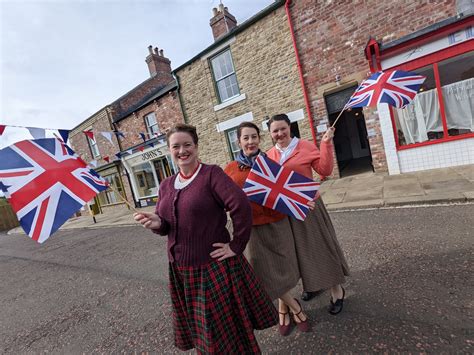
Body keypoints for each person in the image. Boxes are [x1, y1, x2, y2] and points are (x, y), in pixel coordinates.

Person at [134, 123, 277, 354]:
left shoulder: (211, 174)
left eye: (187, 145)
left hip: (211, 269)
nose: (182, 151)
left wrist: (236, 245)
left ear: (196, 146)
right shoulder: (166, 185)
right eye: (176, 146)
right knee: (204, 332)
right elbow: (167, 223)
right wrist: (157, 223)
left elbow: (240, 206)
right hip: (181, 272)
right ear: (170, 150)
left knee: (222, 332)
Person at [224, 121, 310, 336]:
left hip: (276, 222)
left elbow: (287, 189)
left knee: (283, 267)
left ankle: (282, 308)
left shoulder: (271, 162)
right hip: (250, 228)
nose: (250, 141)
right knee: (263, 273)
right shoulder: (231, 170)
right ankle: (295, 307)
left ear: (259, 139)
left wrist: (304, 199)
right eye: (246, 138)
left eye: (254, 137)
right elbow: (223, 199)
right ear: (239, 141)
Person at [266, 114, 350, 315]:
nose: (279, 134)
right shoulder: (269, 155)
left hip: (309, 206)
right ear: (270, 134)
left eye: (282, 129)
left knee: (320, 247)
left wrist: (326, 144)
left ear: (290, 127)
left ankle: (337, 291)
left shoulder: (304, 146)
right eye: (275, 131)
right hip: (287, 211)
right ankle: (314, 284)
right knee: (300, 252)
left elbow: (325, 169)